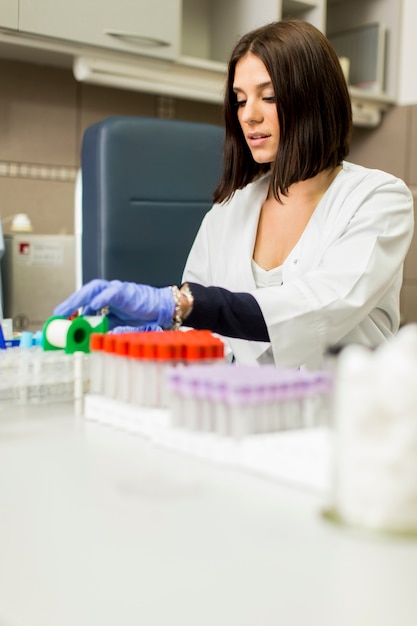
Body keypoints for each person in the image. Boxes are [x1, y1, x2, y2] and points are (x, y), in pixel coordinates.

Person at [54, 19, 414, 369]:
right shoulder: (228, 211)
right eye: (240, 101)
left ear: (315, 99)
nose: (249, 116)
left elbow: (320, 306)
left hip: (348, 417)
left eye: (268, 96)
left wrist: (179, 305)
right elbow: (200, 329)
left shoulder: (378, 200)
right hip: (245, 414)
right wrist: (155, 331)